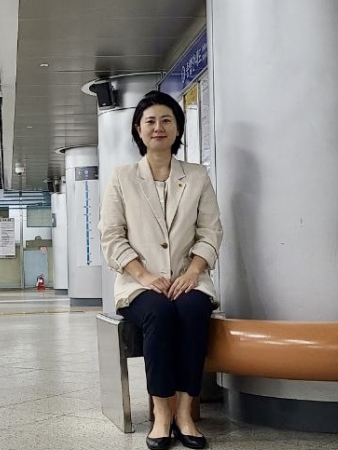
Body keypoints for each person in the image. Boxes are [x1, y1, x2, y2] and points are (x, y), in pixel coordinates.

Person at [99, 90, 223, 450]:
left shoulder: (197, 176)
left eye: (167, 120)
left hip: (188, 278)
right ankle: (162, 413)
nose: (158, 127)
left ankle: (185, 412)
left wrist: (194, 272)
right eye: (150, 121)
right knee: (159, 313)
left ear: (178, 128)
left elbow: (211, 231)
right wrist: (145, 276)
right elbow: (111, 235)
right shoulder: (122, 178)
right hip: (138, 284)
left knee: (193, 310)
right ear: (138, 130)